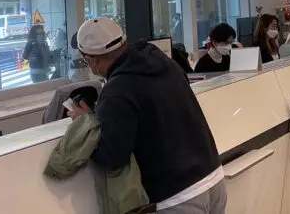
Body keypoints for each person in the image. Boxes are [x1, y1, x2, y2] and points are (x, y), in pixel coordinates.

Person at [69, 18, 226, 213]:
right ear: (123, 42)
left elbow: (112, 158)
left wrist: (85, 124)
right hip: (214, 177)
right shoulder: (164, 62)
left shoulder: (117, 91)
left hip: (178, 196)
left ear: (92, 59)